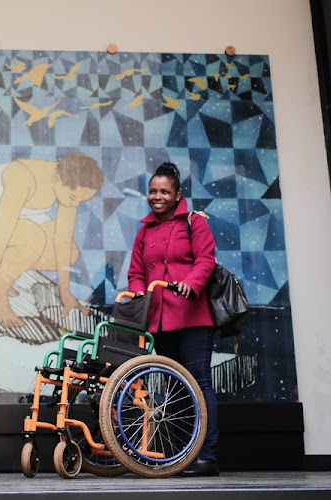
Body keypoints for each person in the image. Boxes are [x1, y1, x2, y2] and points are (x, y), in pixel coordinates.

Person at [127, 162, 220, 477]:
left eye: (164, 191)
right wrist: (139, 293)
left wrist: (190, 284)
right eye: (153, 191)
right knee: (175, 388)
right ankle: (183, 454)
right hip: (160, 322)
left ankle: (206, 455)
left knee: (198, 382)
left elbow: (206, 260)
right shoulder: (144, 231)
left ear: (177, 194)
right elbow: (136, 273)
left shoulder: (195, 223)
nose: (157, 196)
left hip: (193, 317)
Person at [0, 153, 104, 345]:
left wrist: (65, 293)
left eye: (80, 201)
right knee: (33, 240)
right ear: (57, 179)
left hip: (23, 211)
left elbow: (63, 241)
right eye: (73, 197)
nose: (74, 204)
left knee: (69, 253)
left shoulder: (68, 180)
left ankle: (4, 275)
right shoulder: (23, 178)